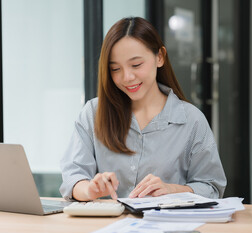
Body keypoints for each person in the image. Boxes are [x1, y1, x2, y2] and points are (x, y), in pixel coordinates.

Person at [59, 17, 226, 202]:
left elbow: (212, 187)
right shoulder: (93, 113)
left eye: (136, 65)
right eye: (115, 69)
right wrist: (89, 190)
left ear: (160, 57)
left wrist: (172, 189)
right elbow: (73, 177)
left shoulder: (192, 120)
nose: (127, 77)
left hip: (169, 227)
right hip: (104, 226)